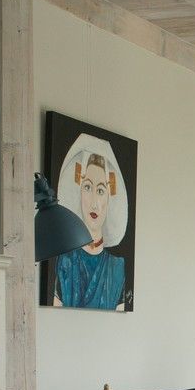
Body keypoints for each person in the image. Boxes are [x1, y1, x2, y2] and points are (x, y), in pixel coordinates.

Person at [51, 132, 130, 310]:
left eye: (101, 191)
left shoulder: (117, 269)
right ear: (79, 192)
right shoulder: (65, 262)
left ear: (109, 199)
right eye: (87, 187)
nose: (94, 202)